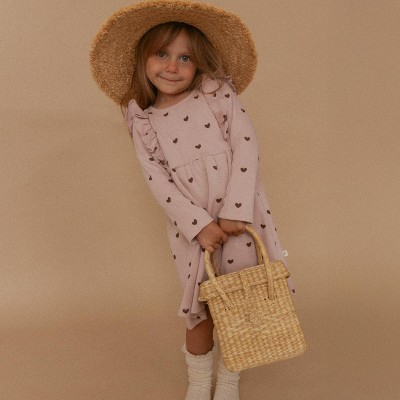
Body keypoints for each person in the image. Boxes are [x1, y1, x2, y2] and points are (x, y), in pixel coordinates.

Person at [90, 1, 294, 399]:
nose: (172, 66)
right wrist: (199, 226)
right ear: (143, 60)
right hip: (193, 231)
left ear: (199, 63)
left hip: (239, 221)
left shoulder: (216, 94)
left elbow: (246, 145)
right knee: (200, 306)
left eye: (185, 57)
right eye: (162, 54)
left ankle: (229, 382)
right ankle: (200, 382)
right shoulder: (144, 121)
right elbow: (158, 181)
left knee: (240, 303)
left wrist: (235, 210)